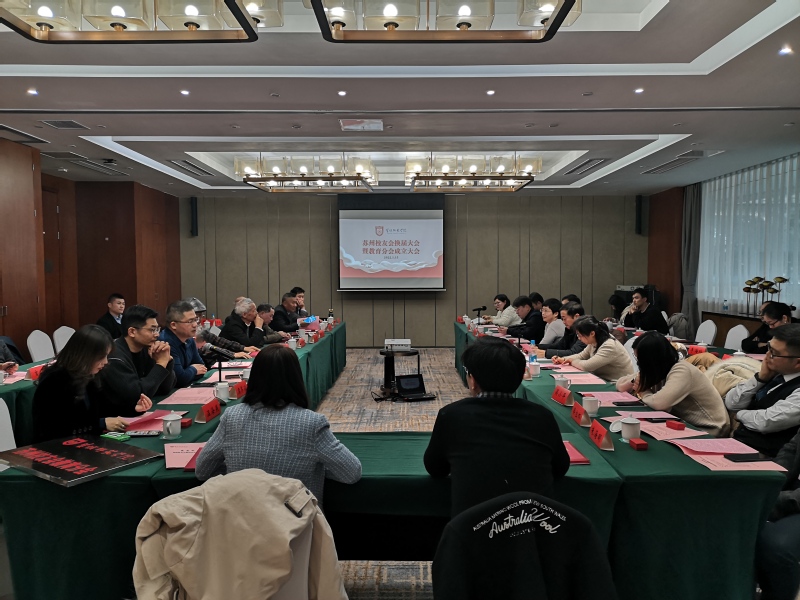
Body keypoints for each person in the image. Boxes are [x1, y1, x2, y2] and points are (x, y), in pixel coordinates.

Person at [195, 344, 361, 503]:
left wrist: (236, 473)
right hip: (295, 519)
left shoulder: (232, 416)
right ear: (296, 378)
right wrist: (315, 466)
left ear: (254, 377)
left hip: (240, 517)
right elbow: (351, 473)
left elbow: (203, 470)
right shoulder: (312, 423)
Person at [424, 336, 569, 516]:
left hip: (472, 527)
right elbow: (560, 468)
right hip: (535, 525)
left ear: (472, 380)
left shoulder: (451, 414)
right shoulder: (542, 416)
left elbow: (436, 469)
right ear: (520, 377)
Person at [32, 325, 151, 442]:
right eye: (101, 357)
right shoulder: (54, 380)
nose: (105, 362)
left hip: (86, 441)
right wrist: (100, 423)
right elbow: (55, 426)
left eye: (107, 356)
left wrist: (132, 409)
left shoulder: (89, 373)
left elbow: (104, 407)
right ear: (85, 355)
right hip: (57, 447)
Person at [617, 332, 730, 437]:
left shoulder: (681, 370)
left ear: (651, 360)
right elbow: (620, 385)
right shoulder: (658, 369)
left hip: (710, 428)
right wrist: (635, 381)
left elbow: (659, 403)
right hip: (683, 423)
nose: (638, 363)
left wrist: (643, 391)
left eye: (640, 360)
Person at [725, 324, 800, 456]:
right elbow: (732, 403)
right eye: (769, 348)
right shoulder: (775, 373)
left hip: (767, 457)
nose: (767, 355)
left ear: (798, 363)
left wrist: (739, 415)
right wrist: (760, 379)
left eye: (774, 353)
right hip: (738, 444)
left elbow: (766, 422)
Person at [97, 305, 176, 417]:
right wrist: (161, 364)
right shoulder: (114, 357)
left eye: (157, 329)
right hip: (113, 418)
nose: (157, 334)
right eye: (152, 330)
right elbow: (136, 395)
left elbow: (164, 389)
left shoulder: (146, 349)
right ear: (132, 332)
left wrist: (167, 361)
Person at [756, 427, 800, 600]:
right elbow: (791, 450)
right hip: (790, 492)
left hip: (794, 500)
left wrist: (771, 501)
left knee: (776, 546)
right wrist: (771, 480)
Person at [554, 316, 633, 381]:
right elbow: (581, 356)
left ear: (592, 333)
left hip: (616, 384)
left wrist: (572, 361)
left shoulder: (609, 345)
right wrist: (563, 359)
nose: (579, 338)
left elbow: (586, 366)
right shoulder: (595, 340)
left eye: (580, 335)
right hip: (602, 380)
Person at [159, 301, 207, 388]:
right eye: (190, 321)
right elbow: (179, 379)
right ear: (173, 325)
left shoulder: (189, 339)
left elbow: (202, 368)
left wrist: (188, 373)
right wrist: (193, 369)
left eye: (195, 319)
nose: (195, 325)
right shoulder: (165, 342)